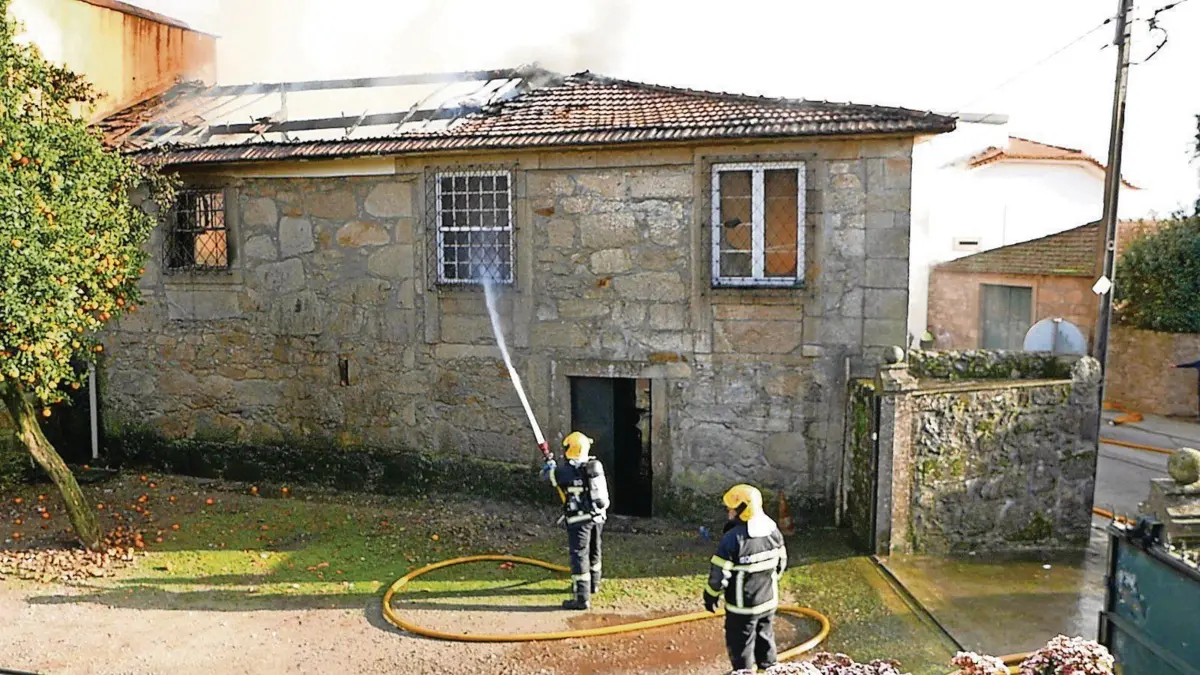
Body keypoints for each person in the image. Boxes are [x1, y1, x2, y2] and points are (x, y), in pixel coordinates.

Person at [704, 484, 788, 673]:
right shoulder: (773, 532)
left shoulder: (732, 539)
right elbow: (781, 564)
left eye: (731, 508)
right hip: (768, 603)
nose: (729, 511)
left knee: (741, 648)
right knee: (766, 641)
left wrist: (711, 596)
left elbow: (718, 577)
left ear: (742, 510)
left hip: (742, 608)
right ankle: (769, 671)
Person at [541, 431, 610, 610]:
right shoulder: (593, 466)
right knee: (595, 549)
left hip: (579, 520)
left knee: (579, 554)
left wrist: (549, 466)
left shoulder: (565, 471)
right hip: (598, 517)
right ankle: (594, 585)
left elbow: (545, 477)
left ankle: (581, 598)